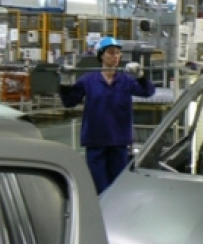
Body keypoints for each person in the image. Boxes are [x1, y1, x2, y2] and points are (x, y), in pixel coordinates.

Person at [59, 37, 155, 194]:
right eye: (111, 53)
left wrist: (141, 76)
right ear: (101, 55)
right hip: (95, 142)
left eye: (118, 53)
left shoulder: (126, 80)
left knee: (118, 188)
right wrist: (64, 82)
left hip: (119, 142)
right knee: (100, 188)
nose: (115, 56)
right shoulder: (89, 80)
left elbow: (148, 92)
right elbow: (69, 102)